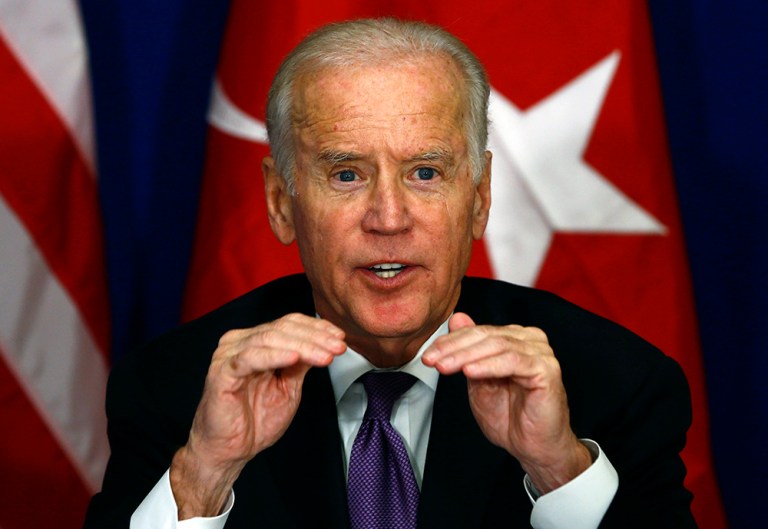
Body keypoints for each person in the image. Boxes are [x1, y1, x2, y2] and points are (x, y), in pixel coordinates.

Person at [84, 18, 696, 529]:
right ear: (280, 202)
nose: (389, 218)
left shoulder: (615, 384)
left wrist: (560, 470)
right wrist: (202, 476)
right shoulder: (174, 389)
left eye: (425, 173)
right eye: (346, 174)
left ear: (479, 197)